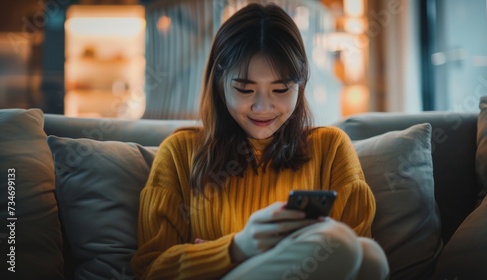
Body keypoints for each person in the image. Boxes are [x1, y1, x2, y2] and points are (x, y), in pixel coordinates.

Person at [131, 3, 389, 279]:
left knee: (370, 256)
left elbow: (351, 255)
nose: (263, 107)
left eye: (281, 89)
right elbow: (151, 269)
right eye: (245, 89)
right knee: (341, 245)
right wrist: (237, 248)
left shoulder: (331, 148)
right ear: (219, 84)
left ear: (301, 86)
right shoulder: (180, 152)